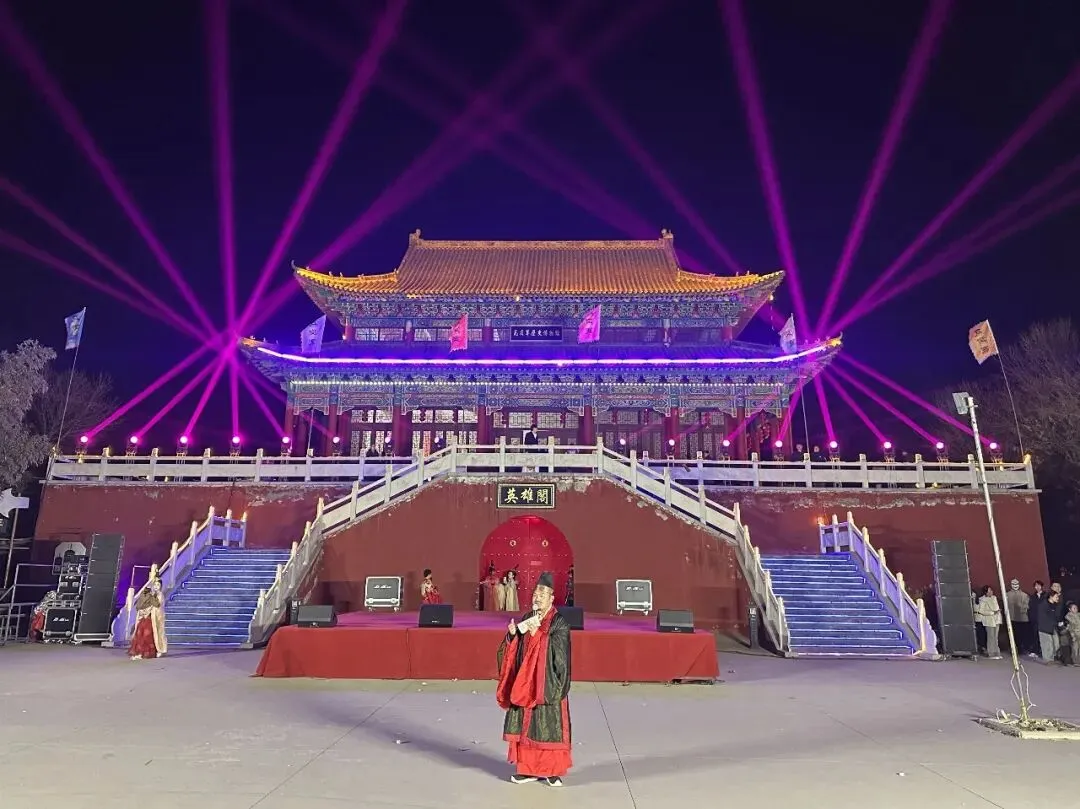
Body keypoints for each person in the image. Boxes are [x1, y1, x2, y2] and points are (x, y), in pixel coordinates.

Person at [496, 571, 572, 787]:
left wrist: (539, 633)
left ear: (551, 597)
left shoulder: (559, 623)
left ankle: (551, 771)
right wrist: (513, 635)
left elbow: (559, 654)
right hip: (525, 682)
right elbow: (517, 647)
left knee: (548, 727)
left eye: (542, 595)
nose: (537, 598)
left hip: (546, 684)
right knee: (525, 726)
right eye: (535, 594)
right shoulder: (527, 617)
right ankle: (527, 770)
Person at [129, 578, 167, 660]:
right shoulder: (149, 594)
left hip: (152, 618)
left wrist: (148, 610)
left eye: (158, 585)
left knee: (147, 635)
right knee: (139, 633)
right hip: (145, 617)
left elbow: (158, 607)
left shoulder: (160, 595)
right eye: (155, 585)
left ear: (161, 586)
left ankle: (150, 652)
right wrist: (143, 610)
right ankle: (139, 652)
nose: (156, 586)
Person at [975, 585, 1002, 659]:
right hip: (989, 620)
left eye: (991, 590)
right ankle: (991, 653)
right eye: (989, 591)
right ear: (986, 592)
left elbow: (996, 607)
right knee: (990, 637)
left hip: (996, 619)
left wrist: (998, 612)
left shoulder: (994, 598)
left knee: (995, 637)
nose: (991, 592)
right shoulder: (982, 599)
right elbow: (981, 611)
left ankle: (997, 652)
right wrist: (992, 613)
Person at [1036, 591, 1062, 663]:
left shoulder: (1056, 605)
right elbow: (1044, 618)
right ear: (1051, 597)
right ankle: (1048, 660)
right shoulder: (1043, 605)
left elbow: (1056, 616)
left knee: (1056, 644)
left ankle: (1052, 657)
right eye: (1056, 597)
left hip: (1053, 627)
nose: (1058, 598)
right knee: (1047, 644)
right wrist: (1056, 623)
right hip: (1044, 628)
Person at [1004, 578, 1029, 653]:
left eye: (1016, 584)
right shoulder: (1007, 595)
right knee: (1013, 635)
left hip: (1022, 618)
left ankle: (1021, 648)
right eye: (1013, 584)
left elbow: (1027, 606)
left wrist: (1021, 607)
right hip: (1012, 618)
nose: (1015, 586)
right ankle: (1014, 649)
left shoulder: (1024, 595)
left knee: (1022, 635)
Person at [1027, 581, 1045, 658]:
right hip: (1035, 619)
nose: (1037, 587)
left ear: (1041, 586)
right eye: (1036, 586)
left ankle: (1044, 651)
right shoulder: (1032, 596)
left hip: (1044, 619)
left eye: (1039, 585)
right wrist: (1031, 617)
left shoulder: (1046, 595)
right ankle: (1035, 650)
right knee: (1035, 635)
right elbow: (1030, 608)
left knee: (1043, 636)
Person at [1064, 602, 1080, 667]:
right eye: (1074, 608)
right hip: (1074, 634)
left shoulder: (1078, 615)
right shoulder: (1068, 616)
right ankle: (1075, 661)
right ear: (1070, 609)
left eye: (1076, 608)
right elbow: (1070, 627)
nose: (1076, 609)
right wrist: (1073, 635)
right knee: (1075, 648)